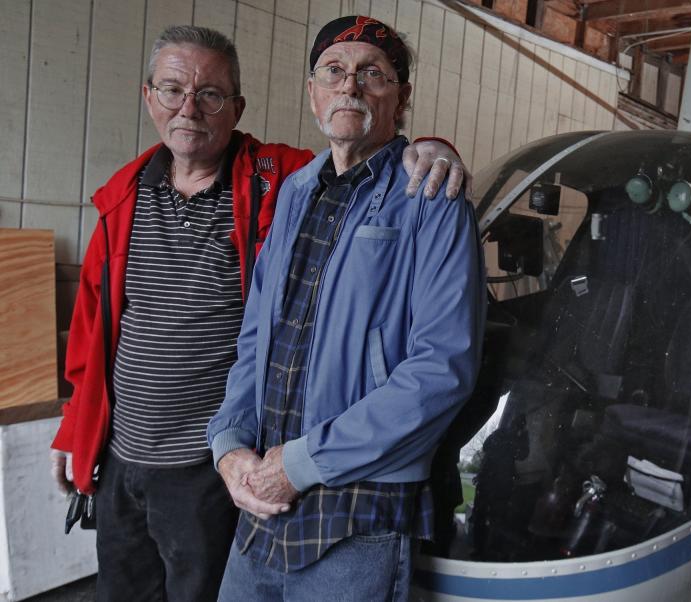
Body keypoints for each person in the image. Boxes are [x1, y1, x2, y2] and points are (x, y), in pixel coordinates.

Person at [48, 24, 469, 602]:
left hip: (311, 491)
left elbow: (441, 367)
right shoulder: (131, 195)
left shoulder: (273, 181)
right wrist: (89, 430)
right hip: (198, 471)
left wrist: (436, 145)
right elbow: (107, 332)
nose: (190, 109)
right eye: (172, 90)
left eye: (372, 73)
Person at [207, 16, 486, 601]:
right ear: (313, 91)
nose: (350, 86)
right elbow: (257, 335)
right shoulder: (295, 191)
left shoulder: (431, 199)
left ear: (401, 98)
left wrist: (303, 464)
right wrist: (230, 443)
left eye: (373, 74)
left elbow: (442, 369)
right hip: (263, 500)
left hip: (359, 508)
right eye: (334, 71)